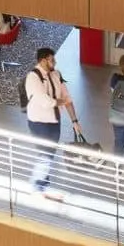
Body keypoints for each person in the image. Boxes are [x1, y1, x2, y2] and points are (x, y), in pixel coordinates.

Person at [21, 46, 78, 198]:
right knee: (45, 154)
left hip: (54, 122)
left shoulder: (56, 74)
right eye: (52, 59)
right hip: (39, 123)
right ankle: (38, 186)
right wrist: (61, 101)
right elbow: (45, 101)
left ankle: (42, 185)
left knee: (49, 154)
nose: (55, 62)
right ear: (43, 60)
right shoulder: (33, 77)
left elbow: (67, 97)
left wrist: (75, 121)